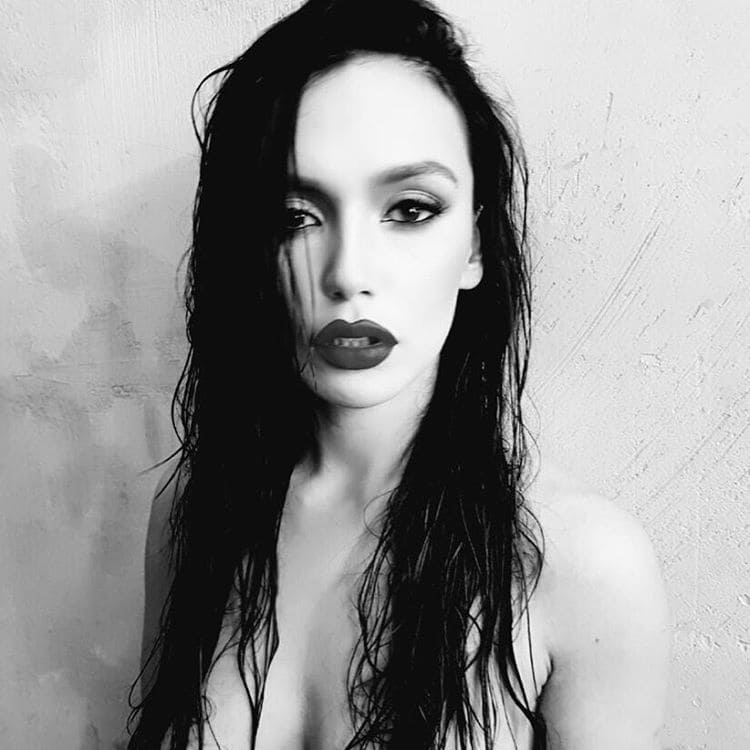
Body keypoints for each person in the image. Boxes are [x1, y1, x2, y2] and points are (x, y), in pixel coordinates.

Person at [127, 0, 671, 747]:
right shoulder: (193, 513)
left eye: (410, 209)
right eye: (293, 216)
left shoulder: (581, 566)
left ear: (475, 246)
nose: (349, 272)